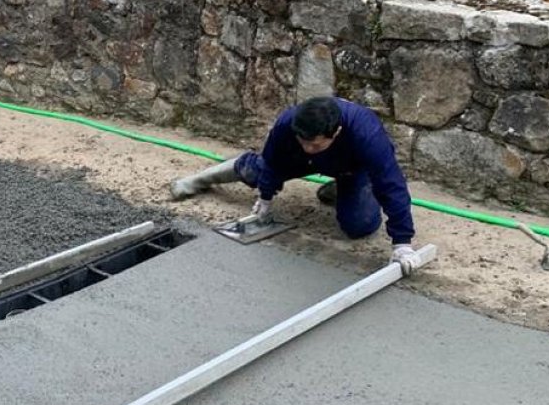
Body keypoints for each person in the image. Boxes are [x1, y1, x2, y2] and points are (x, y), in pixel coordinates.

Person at [170, 96, 423, 275]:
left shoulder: (368, 136)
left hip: (352, 168)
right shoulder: (288, 125)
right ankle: (199, 180)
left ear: (335, 134)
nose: (307, 145)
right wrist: (265, 198)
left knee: (359, 225)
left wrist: (402, 243)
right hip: (302, 162)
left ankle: (341, 187)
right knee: (257, 170)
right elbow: (272, 162)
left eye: (315, 143)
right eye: (304, 140)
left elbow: (391, 186)